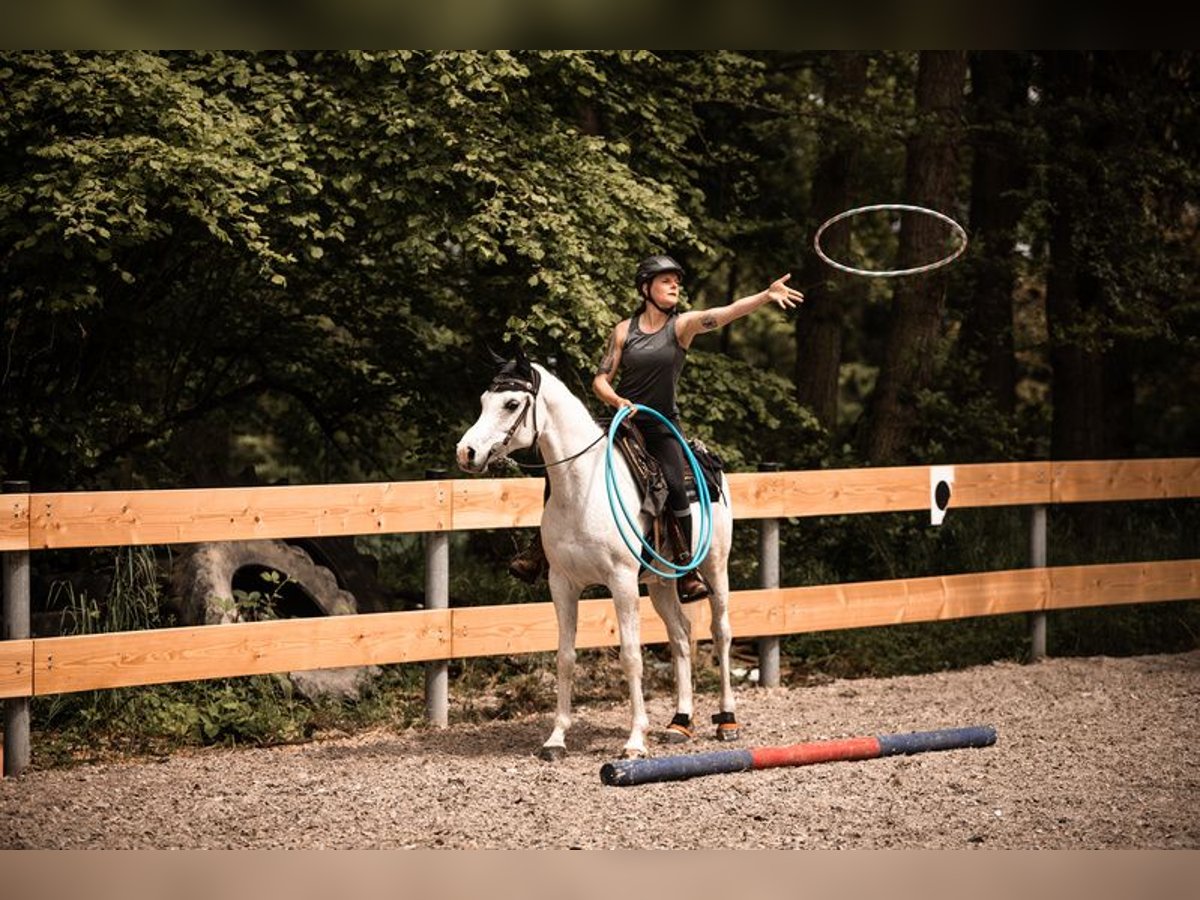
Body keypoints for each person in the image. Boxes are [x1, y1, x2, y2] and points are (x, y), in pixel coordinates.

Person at [510, 254, 803, 600]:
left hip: (661, 427)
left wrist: (764, 296)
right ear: (645, 288)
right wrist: (617, 401)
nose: (675, 285)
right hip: (622, 423)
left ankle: (686, 568)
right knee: (566, 467)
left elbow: (724, 314)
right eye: (666, 280)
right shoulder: (623, 331)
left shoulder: (681, 327)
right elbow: (601, 380)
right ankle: (539, 550)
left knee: (675, 483)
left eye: (676, 280)